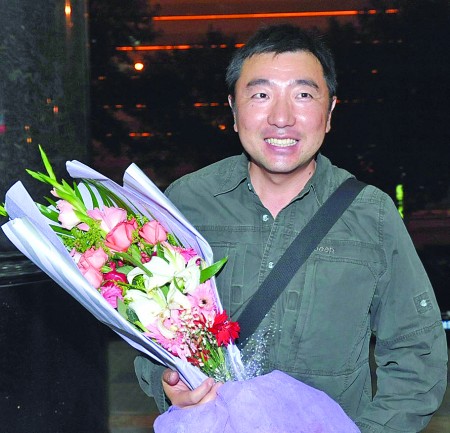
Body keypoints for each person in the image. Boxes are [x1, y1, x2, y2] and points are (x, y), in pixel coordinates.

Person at [135, 24, 448, 432]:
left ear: (329, 113)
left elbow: (417, 354)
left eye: (303, 95)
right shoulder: (186, 202)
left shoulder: (371, 214)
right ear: (233, 110)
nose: (281, 118)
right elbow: (148, 327)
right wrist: (167, 383)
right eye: (261, 95)